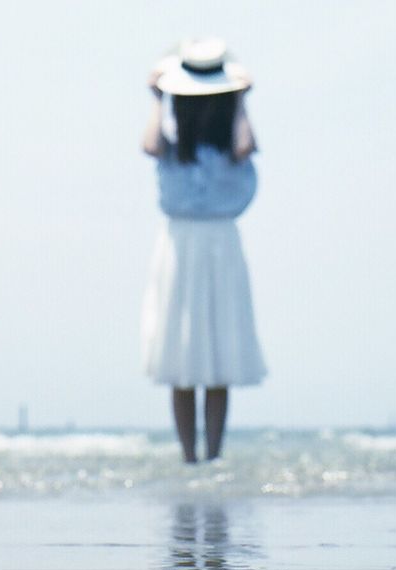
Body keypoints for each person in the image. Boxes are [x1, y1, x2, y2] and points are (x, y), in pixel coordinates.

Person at [140, 38, 267, 463]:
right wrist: (159, 98)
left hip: (219, 245)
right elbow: (150, 145)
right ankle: (188, 458)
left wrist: (241, 100)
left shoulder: (230, 146)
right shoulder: (176, 149)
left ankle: (211, 456)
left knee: (218, 355)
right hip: (181, 247)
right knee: (181, 357)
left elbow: (246, 146)